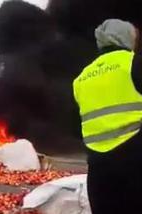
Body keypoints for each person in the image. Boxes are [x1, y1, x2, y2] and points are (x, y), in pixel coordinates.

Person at [73, 19, 142, 214]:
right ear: (126, 38)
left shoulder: (81, 79)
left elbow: (75, 126)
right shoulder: (134, 64)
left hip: (98, 174)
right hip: (135, 167)